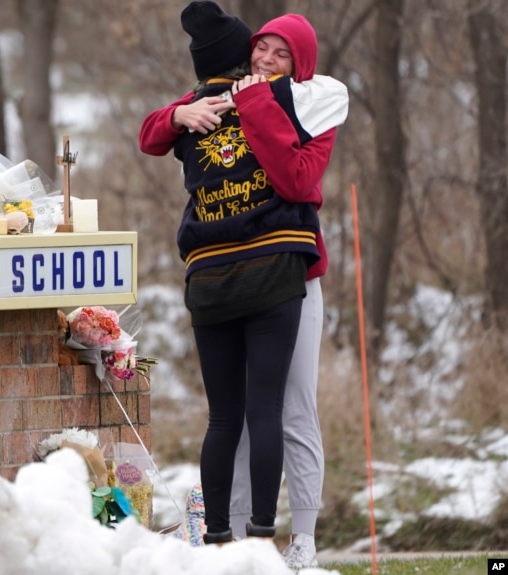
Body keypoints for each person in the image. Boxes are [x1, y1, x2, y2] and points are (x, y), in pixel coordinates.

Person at [138, 1, 345, 553]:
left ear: (298, 67)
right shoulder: (224, 90)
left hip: (294, 278)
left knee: (292, 409)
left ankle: (302, 538)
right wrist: (181, 115)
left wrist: (256, 104)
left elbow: (297, 180)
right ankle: (228, 542)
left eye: (283, 55)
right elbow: (153, 131)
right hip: (227, 270)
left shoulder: (310, 106)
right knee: (237, 417)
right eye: (264, 48)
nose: (270, 59)